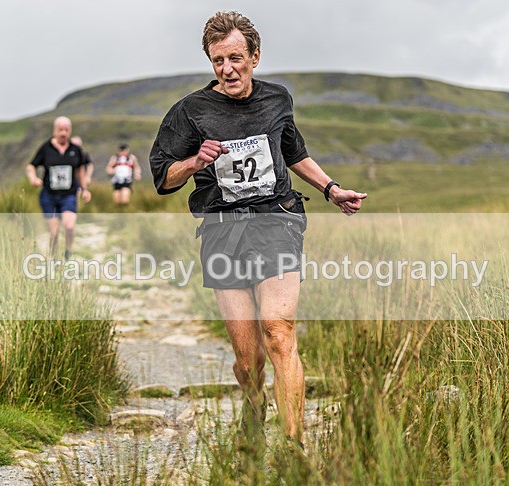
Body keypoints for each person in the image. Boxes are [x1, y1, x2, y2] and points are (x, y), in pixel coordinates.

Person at [150, 11, 366, 449]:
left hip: (277, 221)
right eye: (216, 61)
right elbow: (162, 177)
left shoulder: (277, 100)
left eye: (234, 58)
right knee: (248, 361)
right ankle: (254, 410)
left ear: (255, 57)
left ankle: (293, 446)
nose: (226, 69)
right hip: (223, 232)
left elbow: (293, 152)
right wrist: (194, 162)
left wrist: (330, 188)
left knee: (279, 332)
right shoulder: (190, 112)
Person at [26, 116, 91, 260]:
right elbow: (31, 166)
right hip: (49, 195)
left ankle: (67, 252)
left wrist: (85, 189)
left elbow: (80, 170)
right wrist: (33, 178)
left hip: (68, 194)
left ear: (70, 131)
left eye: (66, 130)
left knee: (69, 225)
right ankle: (54, 257)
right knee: (54, 231)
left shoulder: (76, 150)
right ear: (55, 130)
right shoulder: (46, 148)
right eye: (60, 130)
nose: (63, 133)